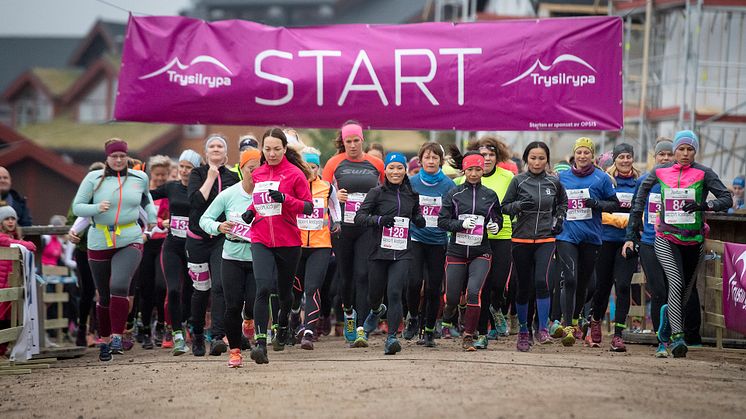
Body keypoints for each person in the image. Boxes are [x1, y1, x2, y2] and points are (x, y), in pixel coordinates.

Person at [625, 130, 732, 358]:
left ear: (695, 151)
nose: (685, 154)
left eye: (690, 149)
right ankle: (677, 338)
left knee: (684, 291)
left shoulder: (703, 173)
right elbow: (639, 200)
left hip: (694, 240)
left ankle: (666, 328)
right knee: (674, 282)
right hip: (666, 238)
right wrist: (632, 233)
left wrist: (703, 206)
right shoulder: (660, 172)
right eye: (681, 149)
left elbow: (727, 199)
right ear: (675, 151)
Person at [72, 138, 157, 361]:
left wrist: (153, 218)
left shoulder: (139, 178)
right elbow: (77, 206)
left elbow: (146, 201)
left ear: (127, 157)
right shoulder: (94, 178)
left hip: (129, 236)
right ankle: (105, 338)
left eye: (122, 156)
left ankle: (118, 336)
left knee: (119, 283)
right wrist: (96, 207)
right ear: (107, 158)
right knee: (104, 294)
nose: (118, 160)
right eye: (114, 156)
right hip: (99, 237)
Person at [241, 128, 313, 364]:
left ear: (284, 149)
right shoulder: (258, 173)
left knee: (285, 295)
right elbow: (258, 200)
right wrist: (250, 212)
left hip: (288, 242)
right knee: (262, 288)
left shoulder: (295, 174)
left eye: (277, 149)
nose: (271, 154)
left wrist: (285, 200)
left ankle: (283, 325)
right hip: (260, 238)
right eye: (267, 149)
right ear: (263, 149)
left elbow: (308, 207)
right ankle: (261, 343)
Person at [355, 152, 426, 354]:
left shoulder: (411, 195)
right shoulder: (376, 193)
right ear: (385, 170)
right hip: (379, 251)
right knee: (375, 295)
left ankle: (392, 338)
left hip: (402, 252)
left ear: (405, 171)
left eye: (400, 168)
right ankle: (377, 310)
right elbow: (360, 217)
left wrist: (419, 219)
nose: (396, 172)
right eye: (392, 168)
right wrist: (378, 220)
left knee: (395, 293)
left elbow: (415, 214)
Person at [321, 121, 384, 346]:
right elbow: (322, 193)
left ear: (362, 141)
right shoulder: (334, 163)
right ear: (343, 142)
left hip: (366, 228)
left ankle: (361, 329)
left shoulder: (376, 164)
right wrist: (335, 198)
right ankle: (348, 313)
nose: (353, 145)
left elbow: (385, 193)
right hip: (342, 228)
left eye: (356, 141)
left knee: (362, 275)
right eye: (349, 141)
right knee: (346, 278)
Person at [501, 141, 567, 351]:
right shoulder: (518, 181)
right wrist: (519, 205)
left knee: (542, 282)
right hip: (521, 239)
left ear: (547, 160)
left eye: (541, 158)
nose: (537, 162)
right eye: (533, 158)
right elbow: (505, 207)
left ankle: (543, 328)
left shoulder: (554, 182)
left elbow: (562, 204)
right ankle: (523, 330)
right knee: (523, 288)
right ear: (526, 159)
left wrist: (559, 219)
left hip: (546, 239)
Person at [200, 148, 262, 368]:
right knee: (232, 305)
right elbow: (204, 219)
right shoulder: (229, 194)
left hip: (258, 257)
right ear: (241, 168)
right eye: (250, 169)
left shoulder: (265, 194)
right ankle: (235, 352)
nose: (254, 173)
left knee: (254, 303)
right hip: (232, 255)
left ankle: (250, 320)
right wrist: (219, 226)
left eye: (259, 169)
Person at [554, 137, 618, 346]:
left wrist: (596, 203)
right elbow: (553, 202)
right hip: (566, 235)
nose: (582, 156)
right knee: (570, 279)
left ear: (592, 156)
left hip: (591, 237)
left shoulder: (601, 179)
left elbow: (614, 204)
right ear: (574, 155)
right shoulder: (562, 178)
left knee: (583, 283)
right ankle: (567, 325)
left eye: (586, 153)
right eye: (579, 152)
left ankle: (574, 319)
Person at [438, 151, 503, 351]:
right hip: (456, 251)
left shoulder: (490, 195)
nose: (474, 173)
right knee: (452, 297)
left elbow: (497, 218)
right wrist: (461, 224)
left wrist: (495, 226)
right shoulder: (454, 193)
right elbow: (442, 221)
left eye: (478, 169)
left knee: (474, 292)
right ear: (464, 170)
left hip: (481, 252)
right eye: (470, 169)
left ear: (483, 170)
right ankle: (451, 314)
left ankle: (468, 335)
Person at [454, 137, 514, 348]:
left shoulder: (508, 176)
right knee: (481, 287)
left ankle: (496, 310)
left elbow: (512, 204)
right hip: (475, 241)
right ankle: (482, 330)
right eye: (483, 155)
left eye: (491, 154)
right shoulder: (464, 181)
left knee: (498, 283)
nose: (486, 159)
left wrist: (502, 220)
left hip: (502, 235)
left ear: (498, 157)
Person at [187, 134, 239, 357]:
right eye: (212, 146)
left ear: (226, 154)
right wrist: (210, 176)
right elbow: (196, 202)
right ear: (206, 153)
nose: (216, 149)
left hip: (220, 239)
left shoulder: (232, 177)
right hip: (198, 240)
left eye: (220, 146)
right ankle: (198, 334)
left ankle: (218, 336)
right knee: (201, 290)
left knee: (219, 286)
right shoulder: (197, 173)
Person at [587, 143, 640, 352]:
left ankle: (618, 334)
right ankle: (596, 321)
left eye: (628, 156)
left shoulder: (639, 182)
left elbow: (641, 211)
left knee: (624, 286)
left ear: (633, 159)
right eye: (621, 157)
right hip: (605, 240)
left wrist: (631, 225)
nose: (625, 160)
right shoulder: (605, 181)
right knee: (602, 287)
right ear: (615, 159)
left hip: (628, 241)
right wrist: (619, 220)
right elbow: (599, 209)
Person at [151, 149, 202, 355]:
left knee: (191, 290)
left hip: (193, 247)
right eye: (181, 166)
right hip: (172, 245)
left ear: (196, 170)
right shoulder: (171, 187)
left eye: (188, 167)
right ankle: (177, 333)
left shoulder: (201, 191)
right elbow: (147, 195)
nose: (184, 171)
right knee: (172, 289)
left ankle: (188, 323)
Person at [406, 142, 456, 347]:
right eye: (427, 157)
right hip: (416, 238)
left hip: (438, 241)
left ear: (440, 162)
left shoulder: (449, 186)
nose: (431, 161)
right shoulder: (411, 182)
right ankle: (413, 317)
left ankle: (428, 330)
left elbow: (455, 212)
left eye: (435, 157)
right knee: (414, 282)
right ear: (421, 160)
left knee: (434, 288)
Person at [630, 138, 674, 357]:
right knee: (658, 292)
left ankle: (676, 335)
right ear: (654, 158)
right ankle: (661, 340)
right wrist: (633, 233)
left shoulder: (679, 181)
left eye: (669, 154)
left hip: (675, 242)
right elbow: (636, 210)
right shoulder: (646, 180)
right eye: (661, 155)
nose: (665, 158)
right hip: (649, 242)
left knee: (674, 292)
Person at [294, 147, 341, 350]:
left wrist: (337, 222)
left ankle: (309, 332)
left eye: (313, 167)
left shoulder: (327, 188)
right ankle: (293, 320)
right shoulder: (293, 187)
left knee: (313, 288)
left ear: (318, 167)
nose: (310, 170)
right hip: (296, 245)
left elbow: (335, 206)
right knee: (295, 290)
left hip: (321, 245)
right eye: (306, 167)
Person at [135, 155, 171, 349]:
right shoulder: (144, 194)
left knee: (161, 286)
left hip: (164, 244)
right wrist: (157, 224)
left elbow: (171, 219)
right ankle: (146, 329)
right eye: (157, 175)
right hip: (145, 243)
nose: (159, 179)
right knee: (145, 288)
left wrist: (163, 224)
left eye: (163, 176)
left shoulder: (169, 194)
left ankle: (161, 325)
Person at [0, 205, 36, 358]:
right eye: (6, 219)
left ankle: (2, 351)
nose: (10, 221)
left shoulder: (14, 238)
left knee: (9, 320)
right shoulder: (3, 238)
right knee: (1, 319)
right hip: (2, 285)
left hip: (11, 284)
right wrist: (26, 244)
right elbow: (27, 246)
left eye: (12, 218)